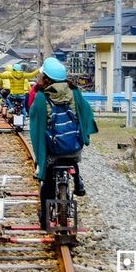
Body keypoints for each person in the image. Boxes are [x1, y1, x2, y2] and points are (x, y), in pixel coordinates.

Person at [29, 58, 97, 229]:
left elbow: (36, 126)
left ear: (46, 78)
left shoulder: (41, 97)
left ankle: (45, 219)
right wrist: (84, 136)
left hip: (53, 151)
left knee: (48, 184)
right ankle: (77, 180)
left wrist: (40, 155)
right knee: (73, 159)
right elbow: (87, 113)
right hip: (74, 147)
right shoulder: (75, 93)